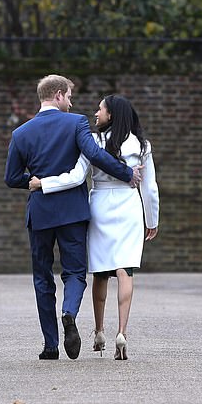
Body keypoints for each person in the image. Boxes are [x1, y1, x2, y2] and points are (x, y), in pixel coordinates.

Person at [4, 75, 142, 361]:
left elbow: (12, 178)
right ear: (57, 95)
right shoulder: (76, 123)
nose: (72, 101)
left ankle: (50, 346)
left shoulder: (21, 134)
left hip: (40, 212)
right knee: (75, 273)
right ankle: (69, 312)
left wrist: (34, 181)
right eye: (69, 96)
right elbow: (94, 154)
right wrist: (126, 173)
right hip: (72, 213)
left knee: (42, 277)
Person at [29, 95, 159, 360]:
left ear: (111, 115)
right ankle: (121, 332)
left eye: (99, 109)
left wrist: (44, 183)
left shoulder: (93, 141)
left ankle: (99, 331)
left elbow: (76, 176)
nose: (95, 113)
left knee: (100, 271)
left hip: (100, 205)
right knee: (125, 270)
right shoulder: (142, 144)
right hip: (129, 207)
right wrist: (152, 219)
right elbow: (150, 188)